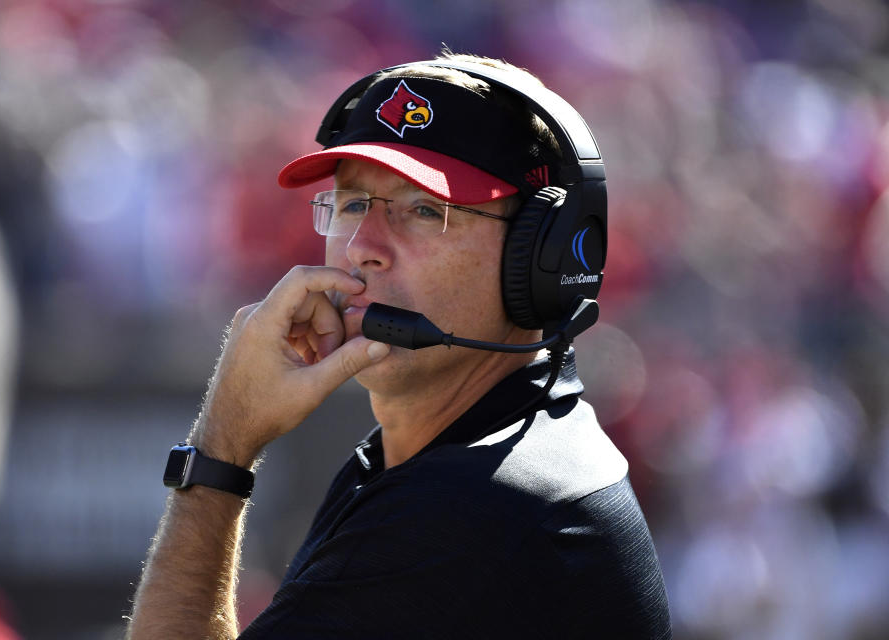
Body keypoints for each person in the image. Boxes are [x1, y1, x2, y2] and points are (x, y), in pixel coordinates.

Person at [127, 53, 671, 639]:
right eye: (354, 204)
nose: (363, 246)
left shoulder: (469, 508)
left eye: (423, 210)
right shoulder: (466, 456)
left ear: (540, 255)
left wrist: (222, 447)